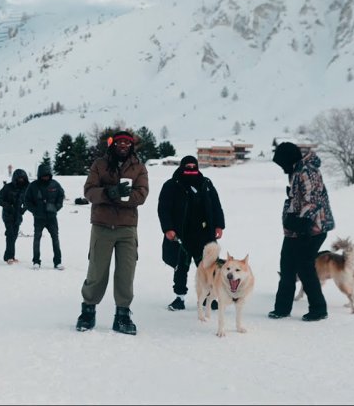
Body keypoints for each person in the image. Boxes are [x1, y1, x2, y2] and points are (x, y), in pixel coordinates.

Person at [75, 130, 149, 335]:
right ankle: (88, 311)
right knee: (97, 271)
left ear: (131, 146)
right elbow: (89, 191)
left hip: (127, 228)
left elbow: (142, 195)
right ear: (113, 145)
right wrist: (108, 193)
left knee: (126, 273)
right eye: (119, 143)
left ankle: (122, 315)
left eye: (127, 143)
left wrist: (123, 197)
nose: (123, 146)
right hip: (102, 226)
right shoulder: (100, 164)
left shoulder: (139, 167)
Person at [269, 142, 334, 321]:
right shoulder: (295, 171)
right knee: (287, 265)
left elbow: (311, 201)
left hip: (312, 229)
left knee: (305, 268)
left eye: (282, 163)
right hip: (295, 229)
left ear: (288, 159)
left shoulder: (308, 171)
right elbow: (296, 199)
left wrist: (301, 222)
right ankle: (282, 308)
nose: (282, 168)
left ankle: (319, 309)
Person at [157, 155, 225, 311]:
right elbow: (163, 209)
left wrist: (219, 225)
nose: (191, 170)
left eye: (193, 167)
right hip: (181, 234)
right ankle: (179, 298)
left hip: (204, 234)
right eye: (187, 167)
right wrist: (168, 228)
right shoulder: (171, 185)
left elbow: (216, 205)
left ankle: (210, 297)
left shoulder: (206, 184)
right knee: (181, 267)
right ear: (181, 167)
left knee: (208, 267)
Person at [24, 163, 65, 270]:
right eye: (43, 175)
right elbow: (27, 200)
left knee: (55, 239)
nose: (45, 177)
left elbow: (61, 196)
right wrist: (35, 210)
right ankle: (36, 261)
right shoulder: (33, 186)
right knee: (37, 239)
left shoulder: (55, 185)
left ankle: (58, 262)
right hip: (39, 218)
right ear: (39, 175)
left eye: (47, 175)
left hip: (52, 218)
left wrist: (56, 207)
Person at [0, 168, 29, 264]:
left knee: (14, 235)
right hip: (8, 214)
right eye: (19, 178)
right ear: (15, 178)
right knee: (10, 234)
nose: (21, 180)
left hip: (18, 215)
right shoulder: (7, 187)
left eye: (23, 178)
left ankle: (10, 256)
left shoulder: (26, 188)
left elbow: (30, 200)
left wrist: (24, 209)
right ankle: (9, 257)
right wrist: (7, 206)